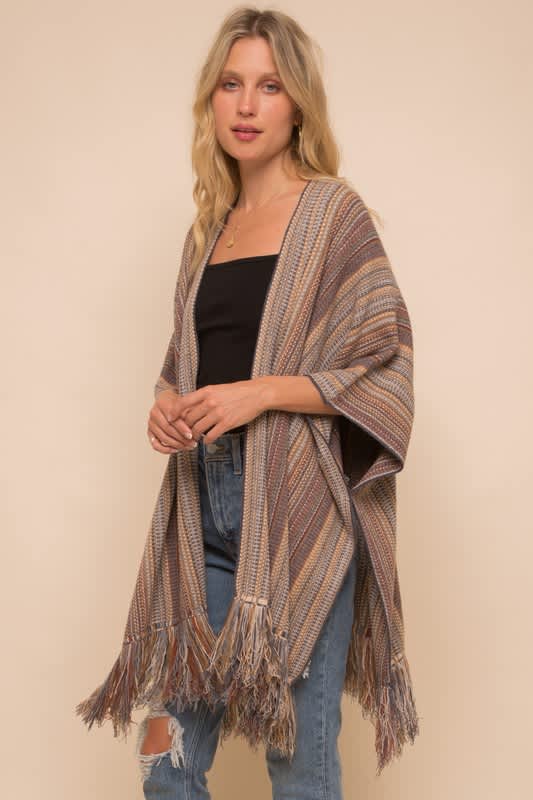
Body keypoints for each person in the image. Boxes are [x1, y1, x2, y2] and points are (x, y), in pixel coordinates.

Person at [76, 6, 420, 797]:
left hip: (300, 518)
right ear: (211, 98)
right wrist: (166, 402)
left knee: (299, 765)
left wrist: (261, 394)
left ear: (297, 104)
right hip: (200, 509)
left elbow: (385, 364)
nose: (246, 105)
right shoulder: (209, 229)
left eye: (269, 86)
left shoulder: (333, 215)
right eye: (230, 84)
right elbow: (185, 360)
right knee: (164, 760)